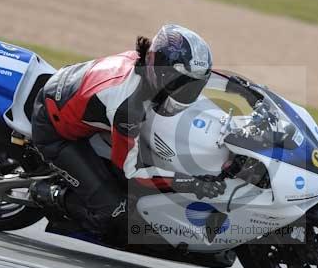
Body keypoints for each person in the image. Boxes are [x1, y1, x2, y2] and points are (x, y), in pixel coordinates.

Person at [30, 24, 226, 242]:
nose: (188, 91)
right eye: (182, 83)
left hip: (75, 96)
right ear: (161, 71)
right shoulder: (129, 109)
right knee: (118, 214)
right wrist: (190, 183)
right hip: (54, 130)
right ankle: (50, 194)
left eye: (194, 85)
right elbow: (131, 173)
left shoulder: (148, 72)